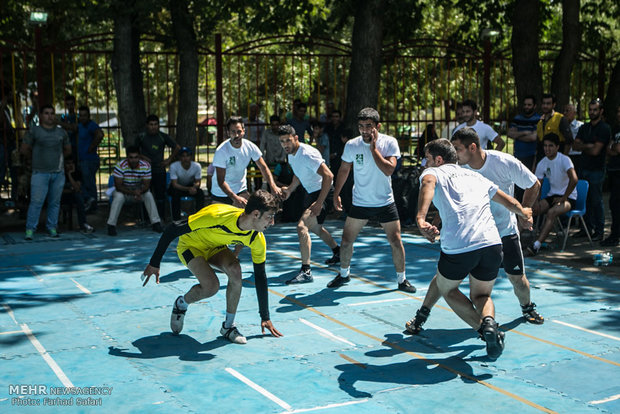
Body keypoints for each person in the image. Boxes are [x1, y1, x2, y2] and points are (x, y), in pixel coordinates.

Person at [405, 128, 543, 335]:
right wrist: (436, 220)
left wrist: (524, 214)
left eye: (458, 148)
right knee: (447, 280)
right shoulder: (460, 169)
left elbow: (533, 184)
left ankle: (526, 307)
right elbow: (453, 199)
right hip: (481, 237)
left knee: (516, 278)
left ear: (473, 147)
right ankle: (422, 314)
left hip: (502, 232)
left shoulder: (503, 162)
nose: (455, 152)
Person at [142, 190, 283, 344]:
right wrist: (155, 263)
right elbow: (173, 228)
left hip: (215, 247)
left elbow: (260, 276)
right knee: (211, 287)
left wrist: (265, 316)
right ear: (256, 214)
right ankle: (181, 303)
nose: (272, 222)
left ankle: (228, 327)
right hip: (191, 246)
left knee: (236, 270)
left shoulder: (257, 238)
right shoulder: (216, 215)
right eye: (269, 217)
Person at [327, 108, 416, 293]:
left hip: (385, 202)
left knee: (396, 241)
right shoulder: (352, 145)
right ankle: (344, 274)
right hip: (360, 203)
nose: (365, 130)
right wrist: (336, 193)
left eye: (369, 126)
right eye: (361, 126)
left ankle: (402, 280)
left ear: (378, 126)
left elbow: (389, 170)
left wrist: (374, 149)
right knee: (345, 241)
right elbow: (344, 170)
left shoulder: (389, 143)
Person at [278, 124, 340, 284]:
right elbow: (299, 174)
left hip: (323, 193)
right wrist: (290, 190)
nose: (285, 144)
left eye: (288, 140)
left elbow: (328, 176)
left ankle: (306, 271)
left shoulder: (307, 154)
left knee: (302, 227)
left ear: (296, 138)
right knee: (316, 227)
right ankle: (337, 251)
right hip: (312, 193)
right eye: (282, 141)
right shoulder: (291, 154)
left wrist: (320, 203)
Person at [21, 104, 71, 240]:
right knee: (36, 202)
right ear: (41, 116)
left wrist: (57, 159)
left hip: (58, 173)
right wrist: (34, 160)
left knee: (54, 202)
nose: (50, 116)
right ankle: (30, 229)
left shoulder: (61, 132)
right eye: (46, 113)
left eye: (52, 113)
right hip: (40, 173)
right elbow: (24, 148)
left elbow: (68, 150)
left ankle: (52, 228)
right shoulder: (34, 131)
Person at [211, 116, 281, 206]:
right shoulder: (221, 151)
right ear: (228, 133)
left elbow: (263, 167)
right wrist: (235, 198)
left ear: (243, 131)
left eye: (239, 131)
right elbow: (221, 181)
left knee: (252, 216)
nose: (236, 135)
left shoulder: (250, 147)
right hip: (220, 194)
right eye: (233, 132)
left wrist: (273, 186)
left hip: (241, 190)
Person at [527, 133, 578, 255]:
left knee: (551, 213)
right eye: (545, 146)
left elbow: (574, 179)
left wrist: (564, 197)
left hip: (569, 198)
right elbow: (537, 185)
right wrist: (536, 202)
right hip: (552, 196)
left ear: (557, 147)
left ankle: (536, 245)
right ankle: (515, 242)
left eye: (550, 146)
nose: (547, 148)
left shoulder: (564, 159)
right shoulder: (542, 162)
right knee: (529, 210)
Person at [571, 98, 611, 241]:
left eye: (595, 110)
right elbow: (575, 146)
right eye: (590, 109)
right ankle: (585, 229)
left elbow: (596, 151)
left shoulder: (604, 128)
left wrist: (585, 146)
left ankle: (599, 231)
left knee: (596, 200)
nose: (592, 112)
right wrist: (589, 145)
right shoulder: (584, 128)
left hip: (596, 170)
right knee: (584, 199)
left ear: (601, 111)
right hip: (583, 168)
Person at [106, 146, 163, 236]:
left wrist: (139, 192)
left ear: (139, 157)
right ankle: (111, 225)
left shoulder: (146, 166)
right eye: (131, 157)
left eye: (136, 157)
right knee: (118, 197)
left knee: (148, 195)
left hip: (140, 191)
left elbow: (147, 185)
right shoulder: (120, 166)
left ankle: (156, 223)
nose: (133, 160)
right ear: (127, 157)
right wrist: (133, 193)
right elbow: (118, 186)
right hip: (124, 191)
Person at [136, 114, 180, 220]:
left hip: (159, 170)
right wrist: (143, 157)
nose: (153, 127)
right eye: (151, 124)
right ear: (147, 125)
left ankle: (161, 218)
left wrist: (168, 160)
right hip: (145, 171)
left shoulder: (162, 136)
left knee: (161, 196)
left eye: (156, 124)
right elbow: (133, 152)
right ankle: (146, 219)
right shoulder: (141, 136)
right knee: (146, 194)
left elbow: (177, 147)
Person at [76, 105, 104, 212]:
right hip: (83, 159)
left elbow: (100, 135)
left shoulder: (91, 125)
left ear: (88, 116)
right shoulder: (80, 126)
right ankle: (90, 203)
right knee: (85, 182)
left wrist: (92, 146)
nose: (82, 117)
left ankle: (92, 204)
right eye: (80, 115)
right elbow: (73, 127)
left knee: (89, 183)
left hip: (89, 159)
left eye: (84, 115)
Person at [167, 146, 205, 220]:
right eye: (183, 156)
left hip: (190, 186)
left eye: (187, 156)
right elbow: (174, 184)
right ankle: (176, 220)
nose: (185, 158)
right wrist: (189, 189)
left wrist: (194, 188)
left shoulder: (197, 166)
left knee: (200, 193)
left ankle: (199, 217)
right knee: (175, 194)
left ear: (191, 157)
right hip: (178, 187)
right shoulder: (174, 166)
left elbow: (198, 182)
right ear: (179, 157)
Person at [602, 105, 620, 247]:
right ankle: (615, 234)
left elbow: (617, 148)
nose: (618, 114)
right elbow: (609, 149)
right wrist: (615, 148)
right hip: (614, 171)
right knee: (614, 204)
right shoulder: (615, 129)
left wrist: (615, 148)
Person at [507, 95, 540, 173]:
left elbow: (533, 137)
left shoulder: (538, 120)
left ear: (534, 106)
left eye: (529, 105)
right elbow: (509, 134)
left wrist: (517, 136)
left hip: (531, 156)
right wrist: (524, 132)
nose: (526, 107)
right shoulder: (517, 119)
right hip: (517, 155)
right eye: (525, 105)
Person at [61, 156, 94, 233]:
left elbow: (76, 188)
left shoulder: (77, 173)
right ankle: (86, 200)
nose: (70, 165)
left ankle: (83, 224)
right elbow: (59, 191)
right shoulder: (60, 173)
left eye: (72, 163)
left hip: (73, 195)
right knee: (78, 194)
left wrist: (70, 175)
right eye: (68, 163)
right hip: (62, 197)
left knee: (78, 196)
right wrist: (71, 189)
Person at [536, 93, 573, 161]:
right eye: (543, 103)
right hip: (543, 159)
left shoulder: (560, 118)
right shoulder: (540, 122)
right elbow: (538, 146)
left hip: (557, 158)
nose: (545, 106)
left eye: (548, 103)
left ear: (554, 105)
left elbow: (569, 140)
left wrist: (563, 159)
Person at [1, 86, 19, 207]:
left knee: (15, 170)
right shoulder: (2, 108)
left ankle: (15, 197)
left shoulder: (7, 109)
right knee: (1, 170)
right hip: (2, 143)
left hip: (9, 143)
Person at [564, 103, 584, 177]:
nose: (565, 113)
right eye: (564, 111)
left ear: (574, 113)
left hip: (577, 157)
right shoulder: (562, 126)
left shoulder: (581, 126)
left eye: (567, 111)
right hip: (565, 156)